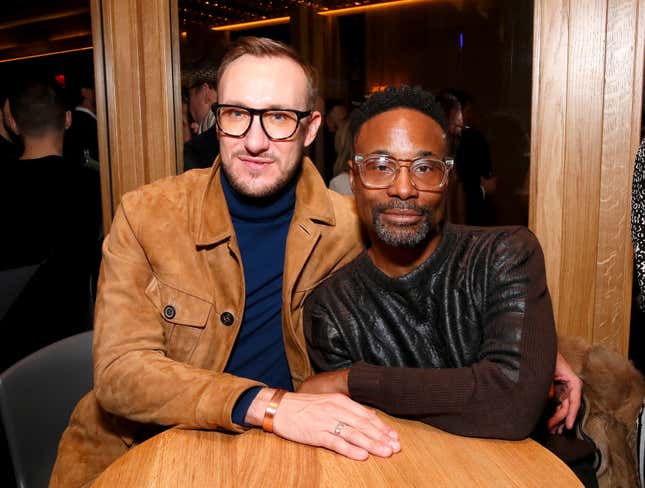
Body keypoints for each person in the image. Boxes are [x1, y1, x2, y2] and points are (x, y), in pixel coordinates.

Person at [50, 37, 400, 488]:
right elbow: (120, 373)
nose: (254, 142)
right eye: (237, 115)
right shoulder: (148, 215)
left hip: (290, 461)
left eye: (278, 118)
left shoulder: (350, 231)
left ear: (311, 128)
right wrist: (268, 405)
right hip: (146, 454)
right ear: (215, 119)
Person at [300, 86, 594, 483]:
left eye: (424, 168)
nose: (403, 188)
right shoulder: (331, 309)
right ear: (353, 177)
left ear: (448, 177)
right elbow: (362, 445)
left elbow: (512, 405)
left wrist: (352, 380)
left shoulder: (505, 255)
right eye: (381, 165)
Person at [0, 77, 98, 371]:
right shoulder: (94, 185)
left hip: (9, 347)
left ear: (14, 124)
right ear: (68, 119)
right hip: (75, 341)